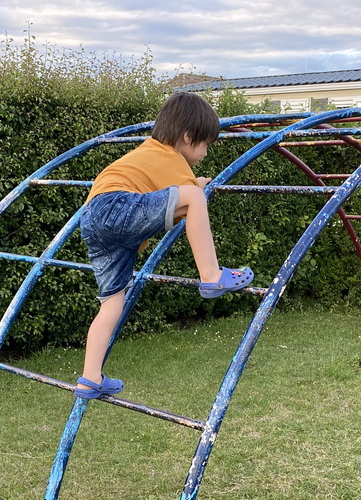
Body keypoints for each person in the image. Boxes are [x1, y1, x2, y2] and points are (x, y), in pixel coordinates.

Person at [75, 92, 254, 399]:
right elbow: (188, 193)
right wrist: (197, 185)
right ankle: (211, 276)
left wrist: (192, 185)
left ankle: (90, 378)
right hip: (116, 206)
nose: (206, 153)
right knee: (194, 198)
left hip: (93, 218)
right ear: (187, 137)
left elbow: (172, 195)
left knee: (112, 302)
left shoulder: (148, 154)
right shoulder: (167, 155)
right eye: (205, 145)